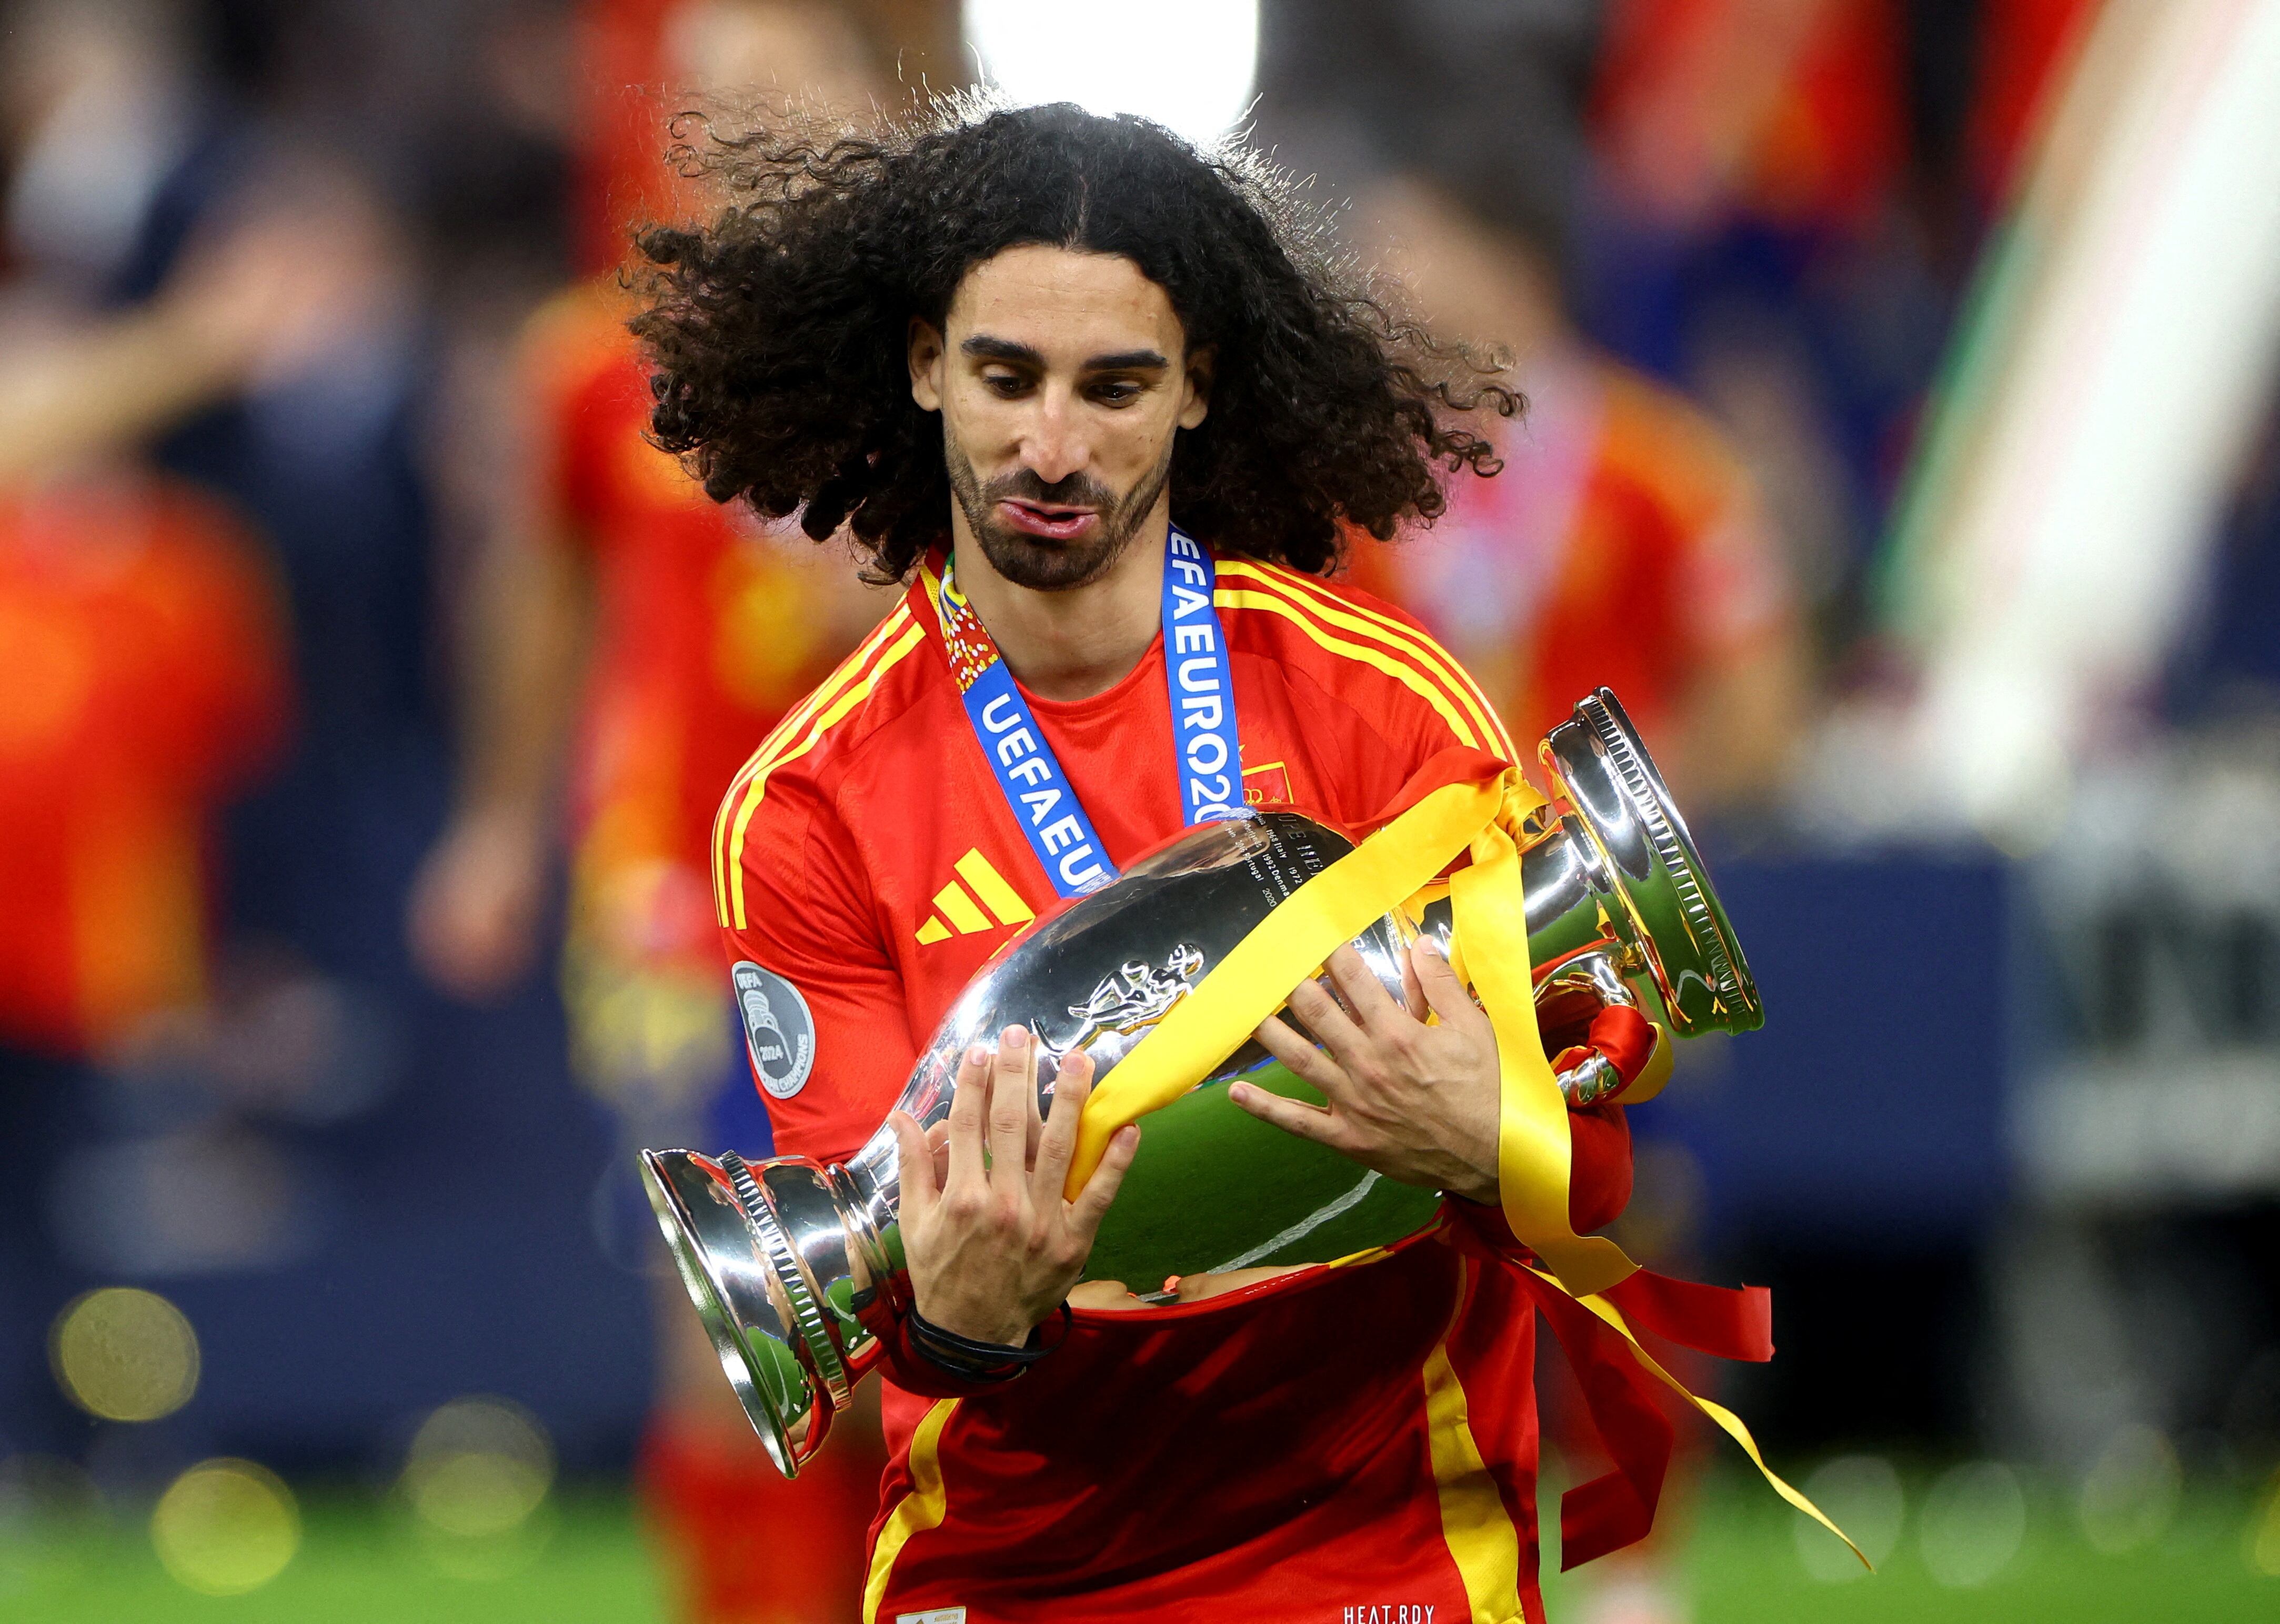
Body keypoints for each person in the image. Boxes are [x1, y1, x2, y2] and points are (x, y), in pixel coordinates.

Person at [633, 102, 1783, 1620]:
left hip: (1380, 1552)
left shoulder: (1386, 705)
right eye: (1005, 378)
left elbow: (1605, 1155)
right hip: (1018, 1564)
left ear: (1200, 390)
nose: (1054, 445)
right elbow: (877, 1308)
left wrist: (1494, 1139)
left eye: (1116, 387)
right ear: (924, 367)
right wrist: (966, 1318)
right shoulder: (805, 804)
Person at [407, 6, 899, 1619]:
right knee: (743, 1334)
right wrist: (494, 822)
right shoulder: (591, 365)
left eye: (777, 95)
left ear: (858, 110)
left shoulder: (951, 348)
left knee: (940, 1318)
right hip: (687, 908)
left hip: (934, 886)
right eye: (705, 104)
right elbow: (538, 599)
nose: (736, 130)